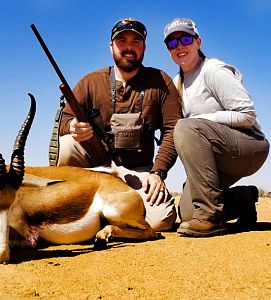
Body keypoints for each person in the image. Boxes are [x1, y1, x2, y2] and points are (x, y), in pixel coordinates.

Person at [57, 18, 183, 231]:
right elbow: (64, 121)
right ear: (111, 46)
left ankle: (105, 218)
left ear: (144, 47)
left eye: (136, 41)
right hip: (97, 167)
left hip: (140, 171)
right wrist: (72, 127)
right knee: (69, 143)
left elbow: (173, 129)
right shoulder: (90, 82)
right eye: (122, 40)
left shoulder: (160, 80)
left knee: (160, 221)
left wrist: (158, 172)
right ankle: (68, 205)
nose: (129, 47)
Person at [163, 18, 270, 237]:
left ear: (198, 41)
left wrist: (203, 119)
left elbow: (247, 115)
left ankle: (211, 218)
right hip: (215, 157)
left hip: (249, 147)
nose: (179, 47)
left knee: (186, 127)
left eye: (185, 39)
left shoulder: (213, 70)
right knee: (188, 212)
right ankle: (243, 199)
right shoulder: (177, 83)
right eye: (172, 44)